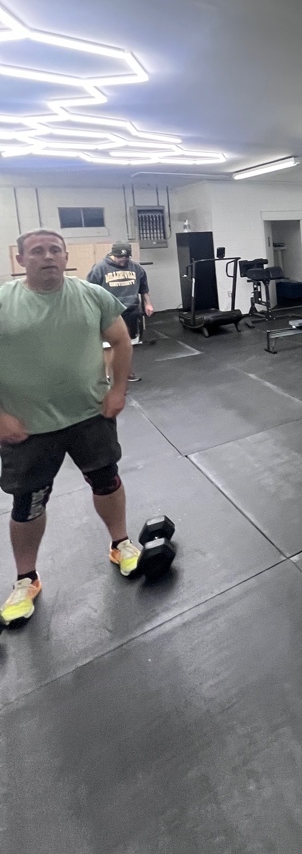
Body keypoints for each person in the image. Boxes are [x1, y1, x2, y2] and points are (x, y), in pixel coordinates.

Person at [0, 229, 142, 628]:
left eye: (55, 250)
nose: (48, 257)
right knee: (28, 503)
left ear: (65, 256)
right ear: (20, 258)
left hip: (89, 416)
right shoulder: (3, 302)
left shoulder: (91, 295)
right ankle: (25, 578)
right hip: (27, 427)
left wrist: (117, 390)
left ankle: (120, 544)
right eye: (38, 251)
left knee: (106, 481)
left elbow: (121, 340)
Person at [87, 241, 154, 384]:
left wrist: (148, 303)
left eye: (126, 258)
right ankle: (105, 377)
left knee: (128, 344)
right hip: (109, 312)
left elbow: (144, 288)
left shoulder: (137, 268)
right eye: (119, 257)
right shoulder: (99, 269)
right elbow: (90, 291)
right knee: (108, 346)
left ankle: (127, 373)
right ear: (113, 254)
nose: (123, 260)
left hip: (130, 310)